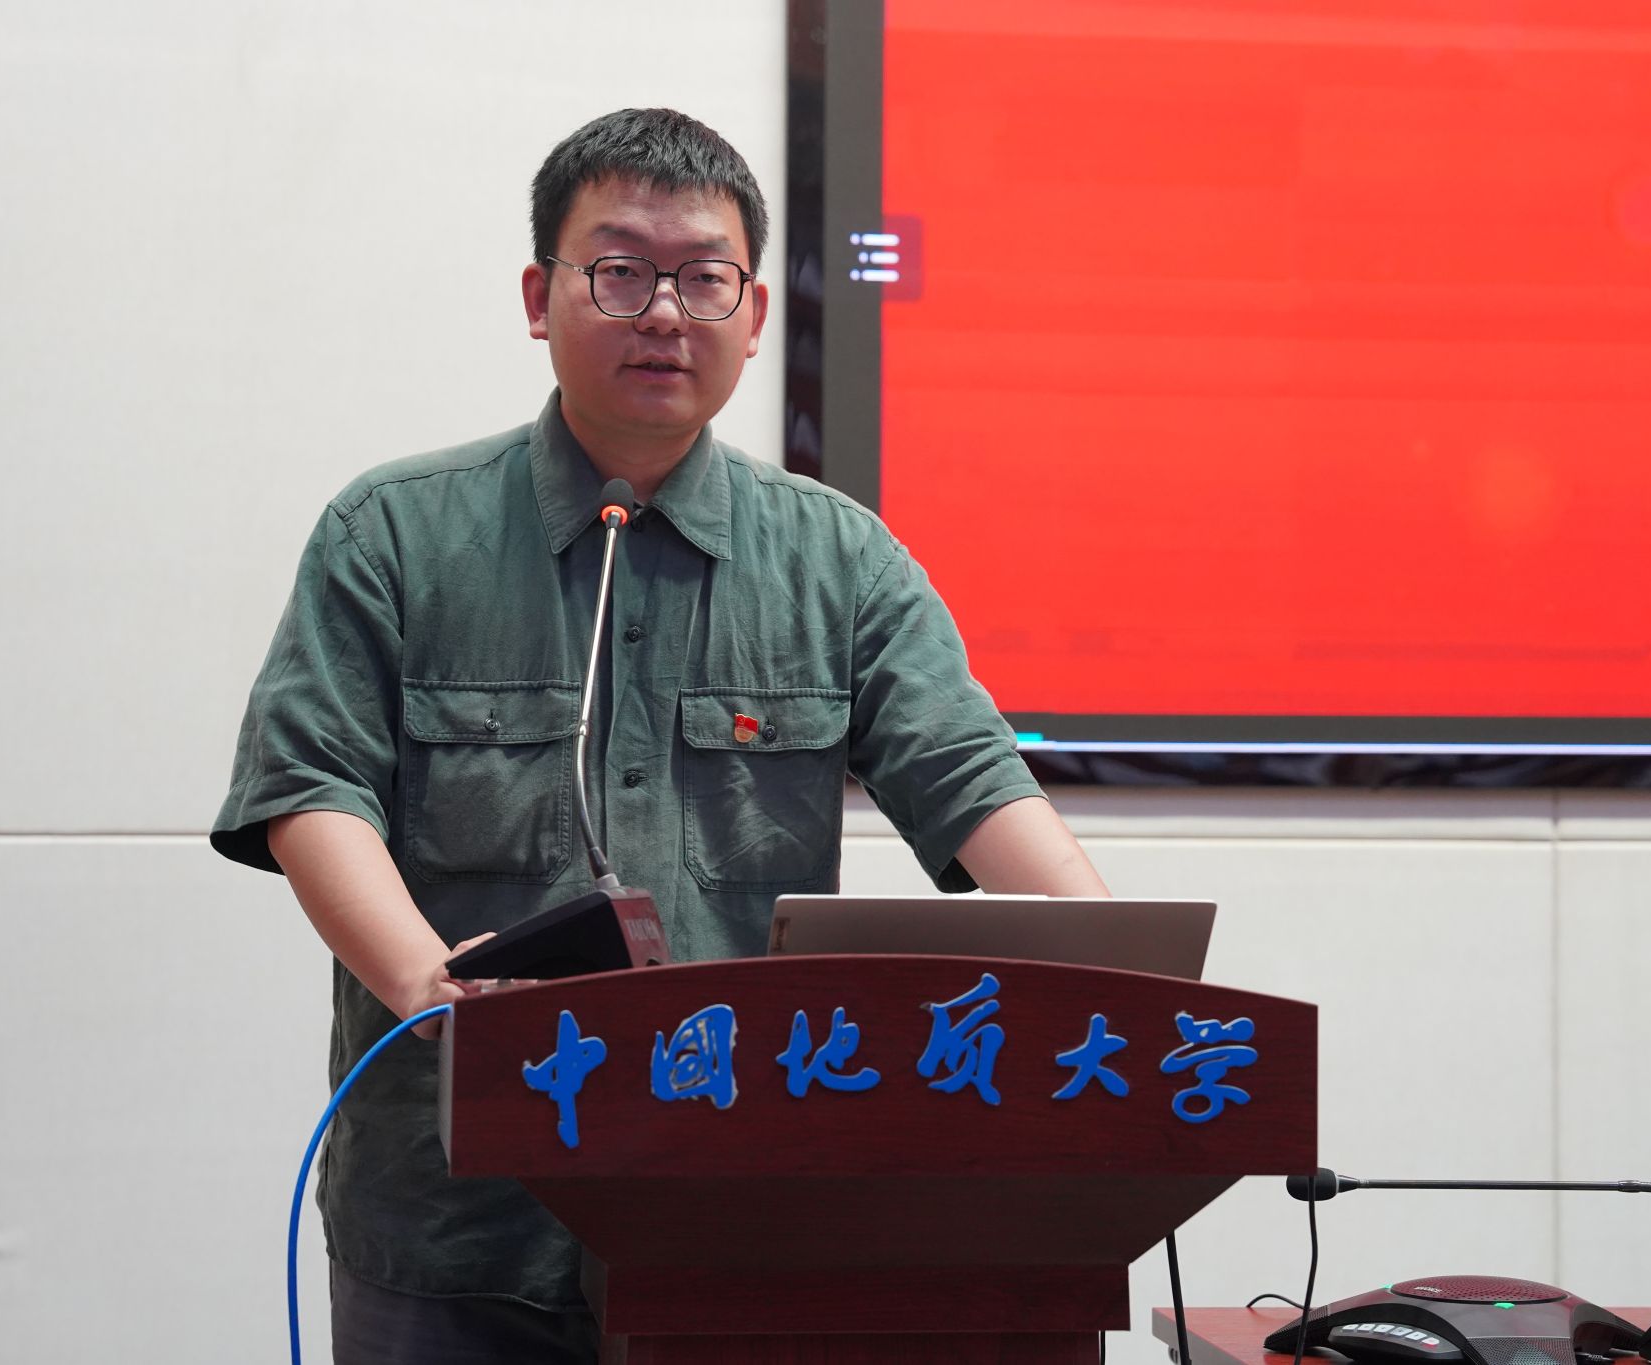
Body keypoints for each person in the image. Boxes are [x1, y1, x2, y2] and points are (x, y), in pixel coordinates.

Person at [212, 107, 1108, 1365]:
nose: (665, 314)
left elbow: (969, 784)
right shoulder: (395, 534)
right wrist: (424, 984)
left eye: (703, 277)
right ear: (541, 297)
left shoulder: (838, 559)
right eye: (621, 272)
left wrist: (1118, 967)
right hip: (456, 1207)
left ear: (753, 313)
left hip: (731, 1212)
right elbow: (312, 791)